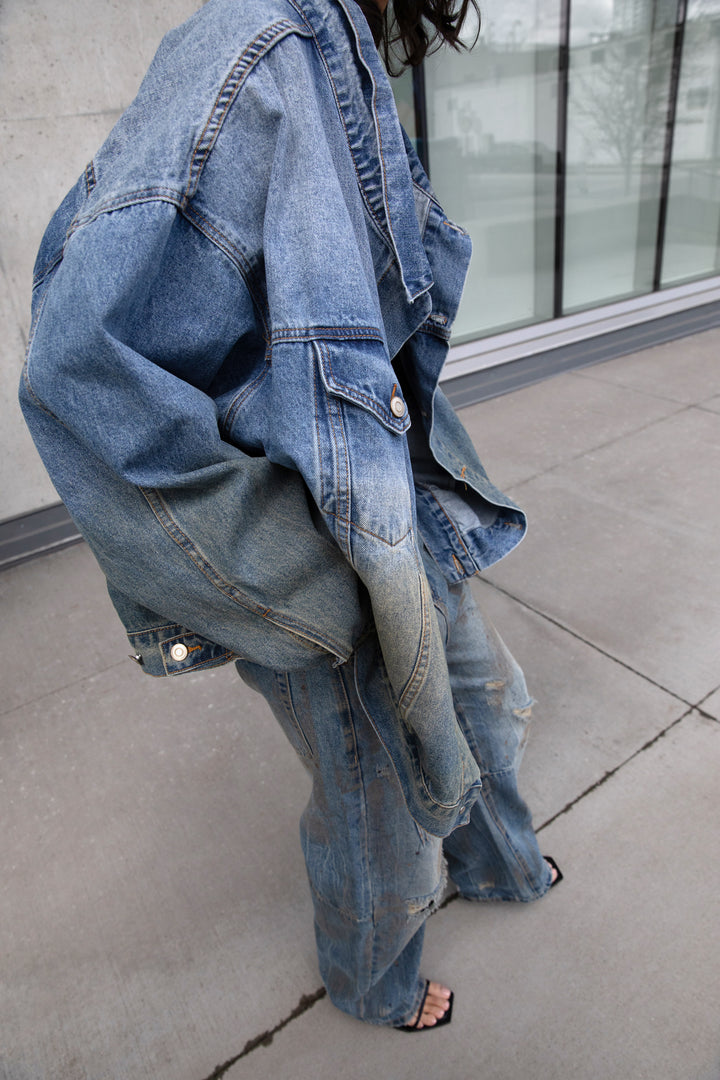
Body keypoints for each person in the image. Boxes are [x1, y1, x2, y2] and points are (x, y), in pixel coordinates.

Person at [19, 0, 560, 1031]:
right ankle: (375, 981)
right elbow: (78, 367)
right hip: (320, 535)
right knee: (377, 800)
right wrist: (285, 576)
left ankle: (499, 864)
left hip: (389, 505)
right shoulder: (255, 49)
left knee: (478, 696)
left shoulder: (331, 38)